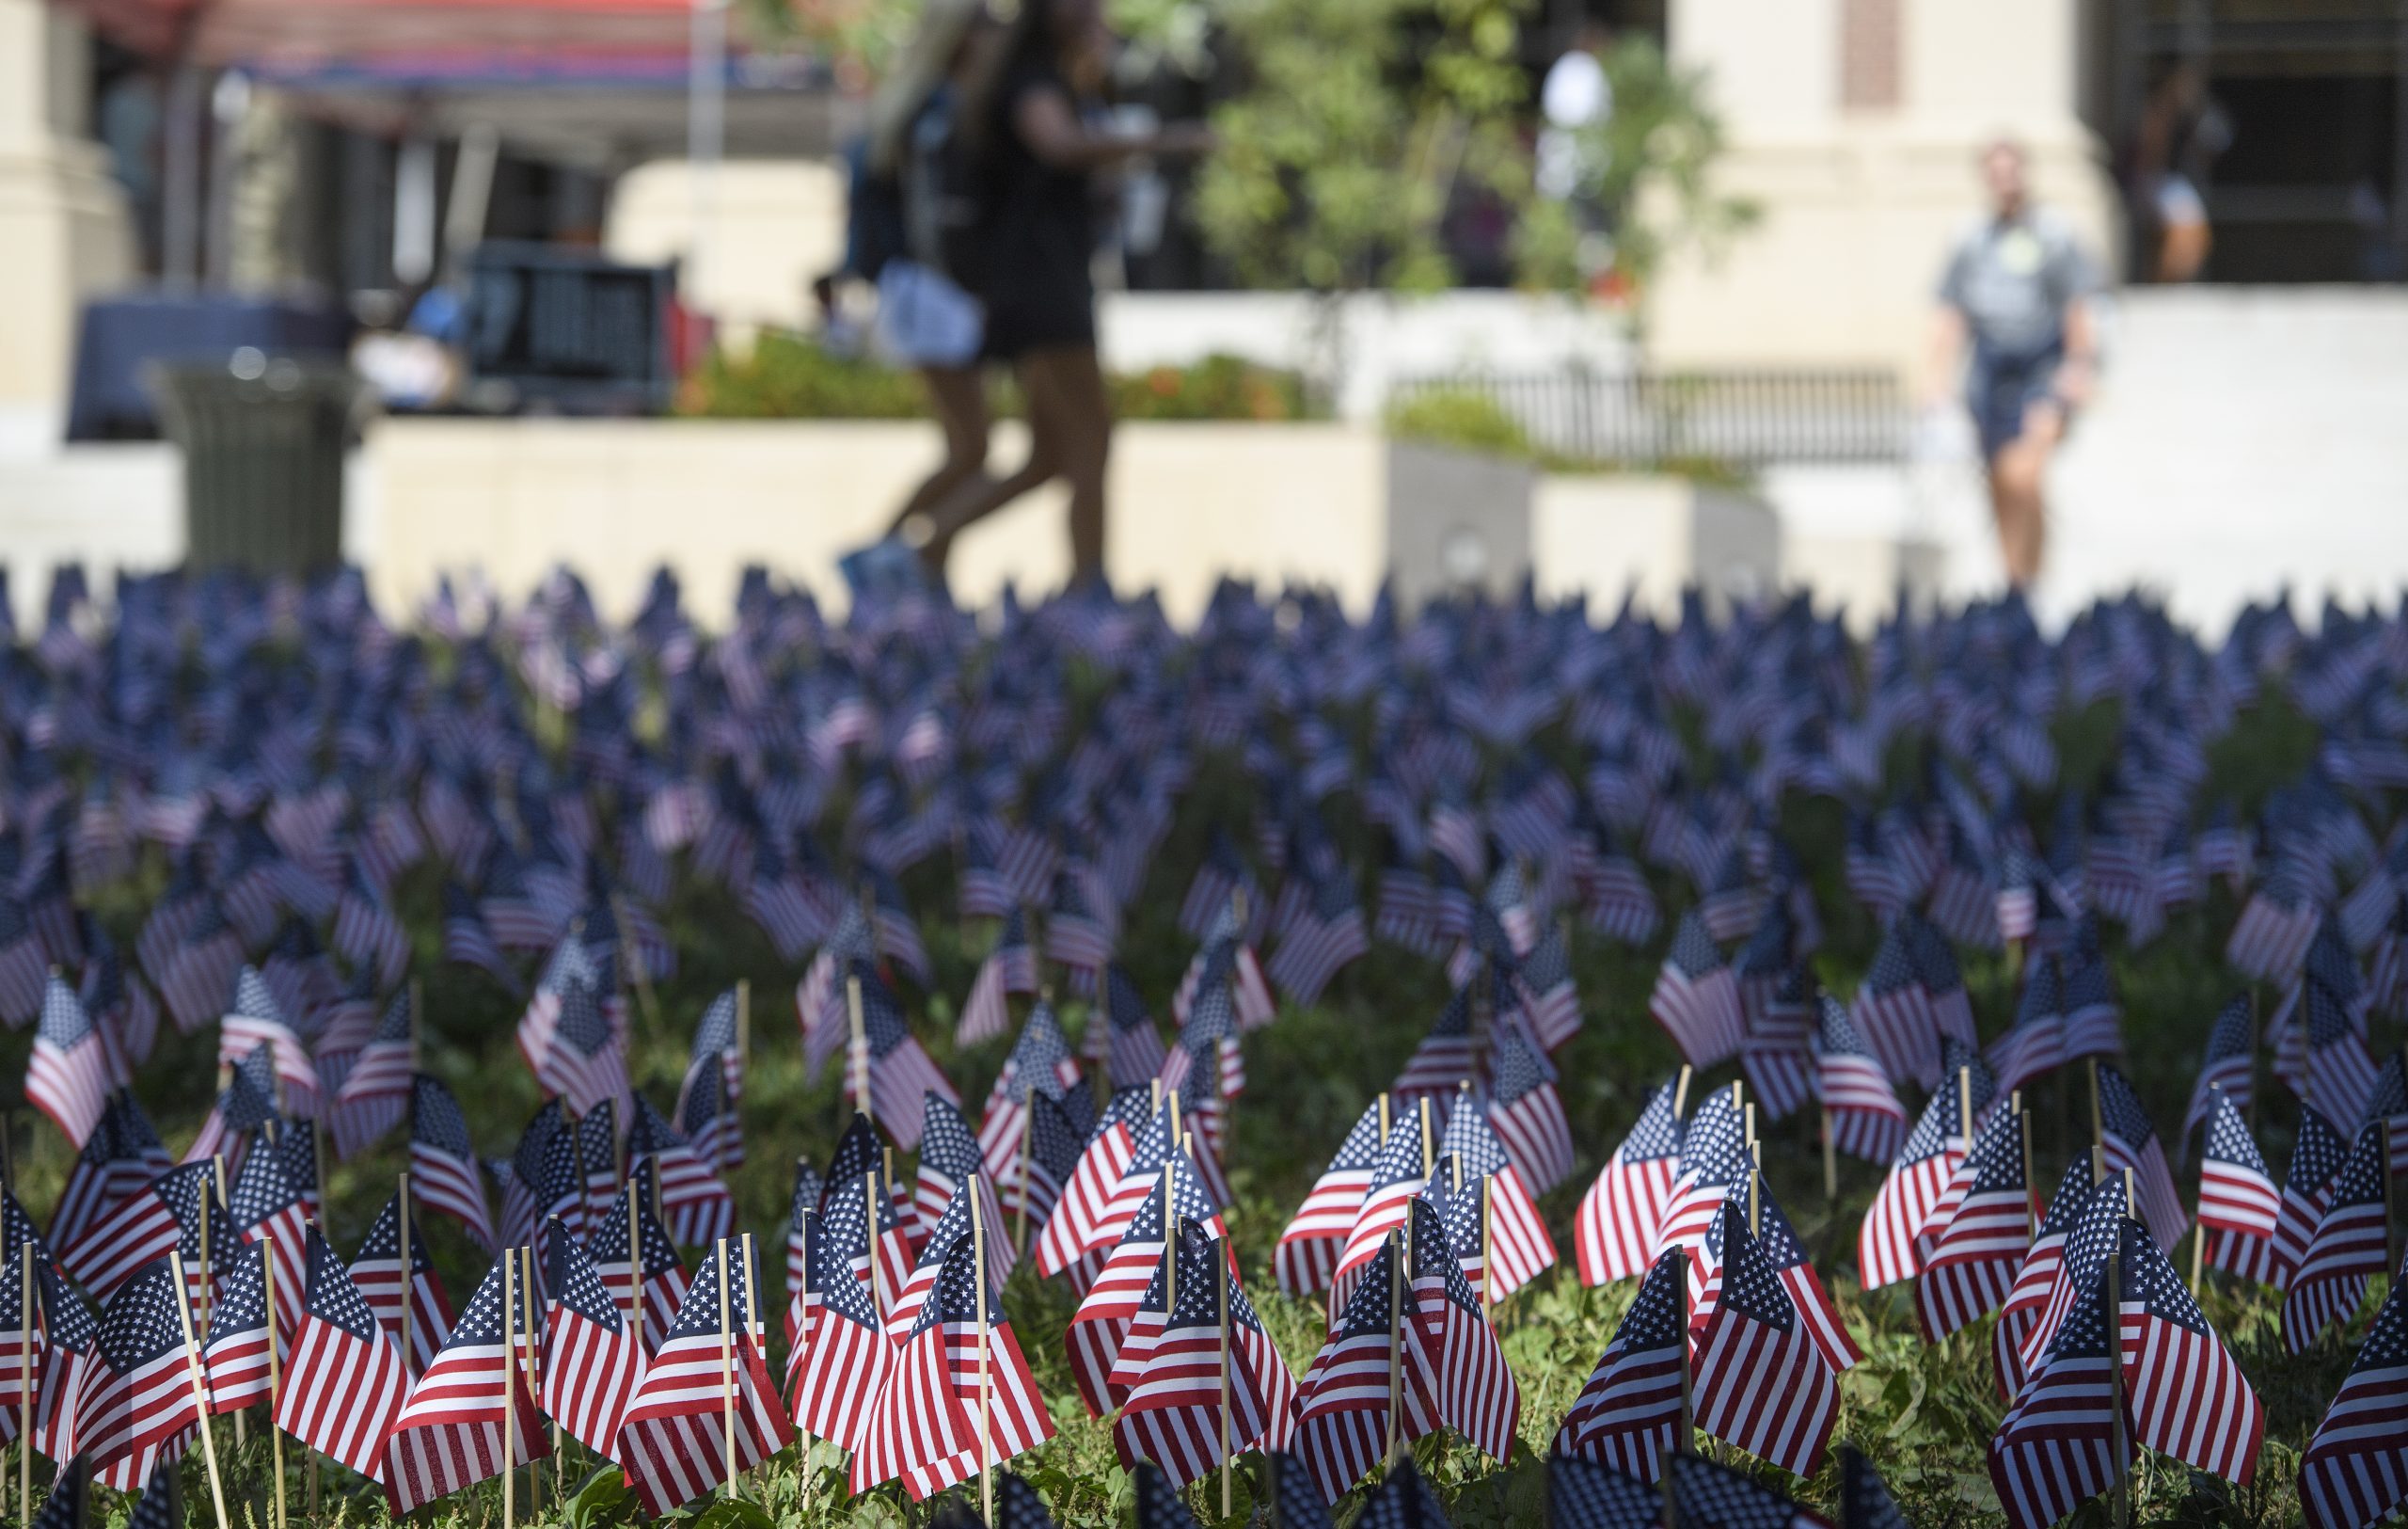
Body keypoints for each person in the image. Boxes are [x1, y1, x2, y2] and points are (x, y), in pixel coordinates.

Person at [882, 0, 1213, 588]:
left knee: (1050, 455)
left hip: (1039, 283)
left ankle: (929, 547)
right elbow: (1059, 145)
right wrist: (1165, 141)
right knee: (1090, 442)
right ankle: (1088, 586)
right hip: (1042, 289)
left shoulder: (1052, 77)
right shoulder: (1030, 80)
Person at [1925, 137, 2103, 591]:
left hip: (2042, 369)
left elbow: (2077, 306)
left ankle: (2032, 579)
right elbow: (1950, 313)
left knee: (2025, 475)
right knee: (1999, 482)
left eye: (2012, 172)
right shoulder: (1971, 238)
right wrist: (1935, 380)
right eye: (1996, 174)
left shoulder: (2054, 234)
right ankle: (2013, 582)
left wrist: (2080, 366)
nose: (2005, 182)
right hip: (1989, 374)